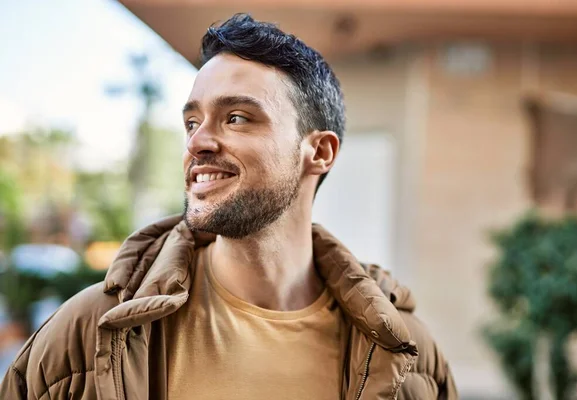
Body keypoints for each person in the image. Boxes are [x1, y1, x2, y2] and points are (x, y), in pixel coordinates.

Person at [0, 14, 457, 399]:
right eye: (192, 121)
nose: (197, 142)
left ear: (319, 152)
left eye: (236, 117)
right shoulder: (85, 335)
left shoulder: (408, 356)